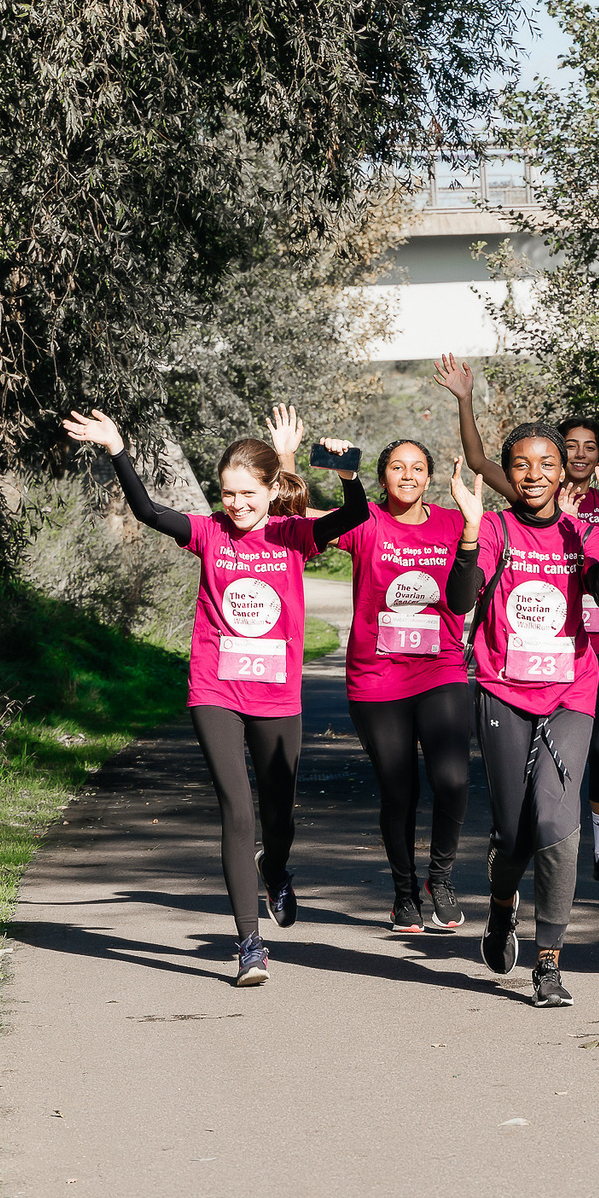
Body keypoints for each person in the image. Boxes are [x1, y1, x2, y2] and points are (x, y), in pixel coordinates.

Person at [63, 407, 368, 986]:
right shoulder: (208, 533)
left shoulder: (293, 535)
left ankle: (275, 869)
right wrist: (117, 448)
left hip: (277, 695)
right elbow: (148, 511)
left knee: (279, 817)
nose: (237, 504)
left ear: (270, 489)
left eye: (247, 493)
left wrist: (347, 472)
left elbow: (355, 515)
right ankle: (249, 943)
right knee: (238, 809)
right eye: (227, 493)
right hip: (215, 688)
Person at [437, 354, 599, 892]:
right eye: (567, 447)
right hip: (522, 648)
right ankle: (517, 845)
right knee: (525, 794)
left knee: (598, 746)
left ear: (598, 456)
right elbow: (481, 460)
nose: (575, 457)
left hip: (595, 647)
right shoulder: (524, 495)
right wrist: (464, 399)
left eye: (586, 448)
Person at [443, 424, 599, 1007]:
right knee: (513, 833)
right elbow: (459, 599)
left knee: (555, 823)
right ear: (507, 472)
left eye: (547, 463)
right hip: (503, 690)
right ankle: (502, 910)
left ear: (561, 471)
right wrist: (471, 530)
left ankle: (548, 961)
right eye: (521, 465)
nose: (534, 475)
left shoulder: (581, 530)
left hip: (571, 690)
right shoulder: (496, 527)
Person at [337, 437, 473, 936]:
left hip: (440, 669)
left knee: (453, 780)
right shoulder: (365, 520)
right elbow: (299, 516)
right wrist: (290, 462)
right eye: (398, 467)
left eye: (418, 467)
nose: (408, 475)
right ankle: (403, 894)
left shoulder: (454, 523)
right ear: (383, 475)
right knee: (400, 791)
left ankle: (441, 878)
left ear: (431, 477)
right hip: (377, 677)